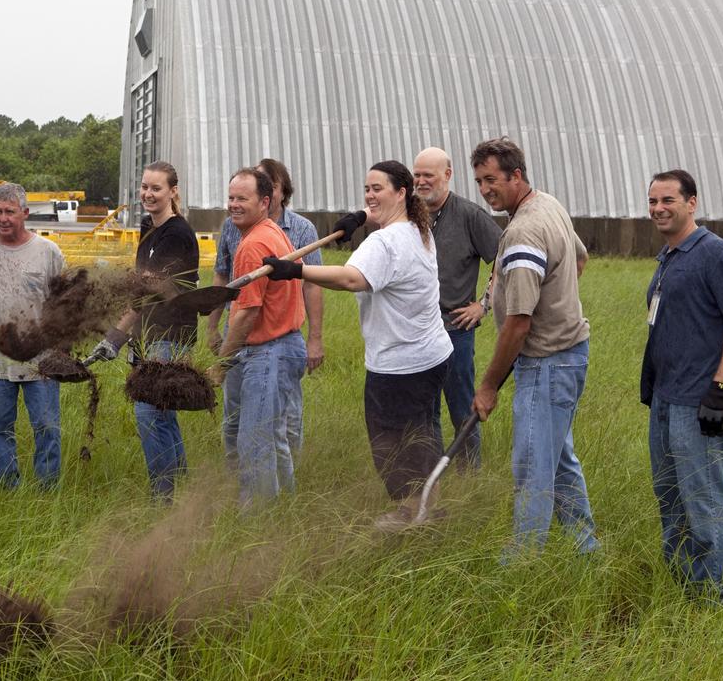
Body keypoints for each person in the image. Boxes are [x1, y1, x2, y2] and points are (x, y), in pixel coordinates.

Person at [263, 161, 454, 530]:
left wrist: (295, 270)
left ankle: (410, 513)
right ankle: (430, 505)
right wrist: (359, 218)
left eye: (377, 189)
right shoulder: (418, 227)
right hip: (432, 355)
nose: (369, 195)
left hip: (399, 364)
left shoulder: (386, 242)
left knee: (392, 444)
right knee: (422, 433)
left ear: (401, 192)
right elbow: (379, 215)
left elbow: (352, 279)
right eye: (366, 188)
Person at [469, 136, 599, 557]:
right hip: (568, 355)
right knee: (559, 462)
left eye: (492, 179)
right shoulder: (548, 204)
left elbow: (519, 324)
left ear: (516, 175)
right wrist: (559, 302)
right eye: (479, 181)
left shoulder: (524, 230)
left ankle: (522, 562)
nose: (485, 189)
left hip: (546, 364)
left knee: (532, 468)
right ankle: (586, 551)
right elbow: (579, 259)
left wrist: (488, 386)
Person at [642, 169, 723, 606]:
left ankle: (717, 602)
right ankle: (688, 591)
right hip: (667, 399)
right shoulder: (668, 256)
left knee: (704, 501)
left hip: (702, 402)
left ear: (692, 203)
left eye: (668, 200)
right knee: (670, 497)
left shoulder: (717, 255)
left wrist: (721, 387)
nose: (658, 208)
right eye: (652, 201)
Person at [90, 161, 199, 499]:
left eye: (156, 188)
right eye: (145, 187)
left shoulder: (178, 233)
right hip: (147, 335)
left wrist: (116, 334)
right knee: (162, 415)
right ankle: (178, 489)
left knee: (148, 412)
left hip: (168, 336)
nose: (148, 194)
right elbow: (142, 292)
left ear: (173, 192)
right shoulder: (147, 228)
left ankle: (162, 495)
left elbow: (155, 290)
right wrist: (119, 338)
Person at [206, 158, 322, 470]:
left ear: (267, 201)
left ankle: (257, 509)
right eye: (231, 198)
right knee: (266, 436)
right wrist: (214, 326)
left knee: (258, 440)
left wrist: (221, 364)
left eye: (242, 199)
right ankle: (279, 502)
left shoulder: (256, 243)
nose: (233, 205)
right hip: (267, 343)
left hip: (267, 349)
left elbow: (247, 314)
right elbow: (224, 281)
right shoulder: (264, 230)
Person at [0, 183, 66, 489]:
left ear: (25, 213)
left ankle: (48, 488)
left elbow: (66, 305)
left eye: (9, 211)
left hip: (41, 361)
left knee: (46, 426)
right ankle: (7, 486)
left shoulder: (48, 253)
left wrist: (61, 351)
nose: (3, 218)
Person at [412, 146, 502, 469]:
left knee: (462, 408)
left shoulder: (469, 216)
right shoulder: (409, 216)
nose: (421, 182)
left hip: (455, 333)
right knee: (423, 410)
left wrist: (483, 305)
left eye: (429, 175)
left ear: (447, 176)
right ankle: (429, 475)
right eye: (417, 175)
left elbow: (504, 258)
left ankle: (469, 479)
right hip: (417, 332)